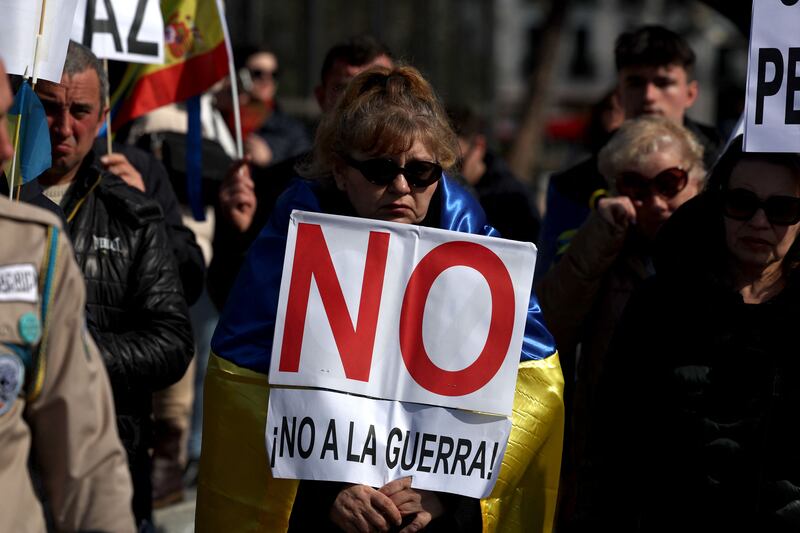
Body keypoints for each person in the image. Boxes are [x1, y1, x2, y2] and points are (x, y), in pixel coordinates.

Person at [197, 65, 564, 533]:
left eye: (422, 171)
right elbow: (243, 391)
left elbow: (533, 386)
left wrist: (446, 494)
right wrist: (327, 489)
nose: (401, 187)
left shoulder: (474, 242)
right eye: (379, 169)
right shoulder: (289, 244)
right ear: (340, 171)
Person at [583, 137, 800, 532]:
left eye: (782, 208)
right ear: (717, 203)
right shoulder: (659, 304)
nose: (759, 221)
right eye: (742, 201)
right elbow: (612, 445)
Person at [33, 41, 193, 529]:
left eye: (79, 111)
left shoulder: (136, 214)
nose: (63, 127)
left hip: (108, 459)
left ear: (102, 117)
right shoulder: (8, 203)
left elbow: (172, 340)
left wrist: (77, 359)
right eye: (48, 108)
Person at [535, 116, 705, 527]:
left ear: (697, 181)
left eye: (670, 183)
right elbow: (547, 334)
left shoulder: (724, 247)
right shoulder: (602, 249)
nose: (657, 202)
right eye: (636, 187)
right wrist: (596, 239)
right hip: (611, 458)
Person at [0, 58, 135, 532]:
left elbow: (87, 459)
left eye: (6, 116)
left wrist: (98, 353)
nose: (5, 144)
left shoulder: (30, 245)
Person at [208, 34, 394, 310]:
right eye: (344, 89)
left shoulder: (427, 187)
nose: (360, 104)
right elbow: (229, 298)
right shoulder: (275, 187)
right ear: (321, 97)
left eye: (376, 89)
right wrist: (239, 237)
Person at [536, 25, 722, 278]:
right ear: (619, 94)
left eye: (663, 82)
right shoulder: (574, 186)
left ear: (690, 94)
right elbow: (551, 287)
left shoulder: (727, 169)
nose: (649, 95)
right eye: (636, 82)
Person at [448, 104, 541, 243]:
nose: (450, 174)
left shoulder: (513, 200)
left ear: (479, 146)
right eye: (442, 166)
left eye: (458, 164)